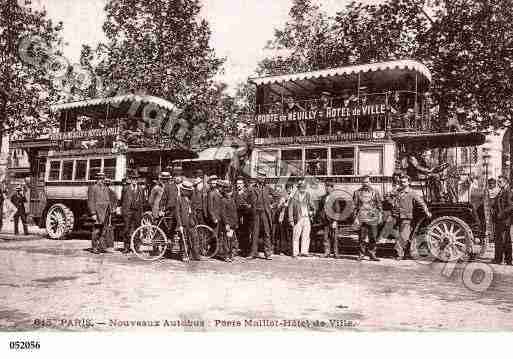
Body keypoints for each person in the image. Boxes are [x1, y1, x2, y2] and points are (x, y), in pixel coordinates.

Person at [393, 174, 431, 260]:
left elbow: (421, 203)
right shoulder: (398, 192)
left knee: (404, 236)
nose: (402, 183)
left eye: (404, 182)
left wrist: (427, 211)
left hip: (407, 217)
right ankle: (405, 253)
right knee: (399, 235)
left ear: (408, 183)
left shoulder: (412, 193)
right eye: (401, 182)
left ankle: (400, 254)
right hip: (397, 216)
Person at [353, 175, 383, 261]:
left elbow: (379, 204)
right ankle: (361, 254)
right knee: (362, 237)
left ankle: (372, 254)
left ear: (370, 182)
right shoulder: (357, 192)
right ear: (362, 183)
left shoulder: (375, 192)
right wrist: (355, 218)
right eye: (364, 182)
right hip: (361, 217)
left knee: (373, 236)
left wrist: (380, 215)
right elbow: (354, 206)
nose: (365, 184)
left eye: (367, 182)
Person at [87, 172, 116, 254]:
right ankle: (95, 247)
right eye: (100, 179)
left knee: (104, 231)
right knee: (96, 230)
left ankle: (102, 247)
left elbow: (110, 199)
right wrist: (93, 213)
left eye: (103, 179)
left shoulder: (106, 188)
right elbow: (90, 201)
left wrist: (110, 210)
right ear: (97, 179)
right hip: (98, 212)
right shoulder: (93, 188)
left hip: (106, 212)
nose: (101, 180)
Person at [248, 174, 274, 260]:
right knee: (255, 233)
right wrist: (249, 206)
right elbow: (245, 198)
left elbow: (278, 196)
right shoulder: (251, 188)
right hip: (255, 214)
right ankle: (253, 253)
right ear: (257, 178)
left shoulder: (268, 188)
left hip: (265, 213)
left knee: (266, 233)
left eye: (263, 177)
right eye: (259, 177)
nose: (261, 179)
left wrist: (273, 205)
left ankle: (268, 253)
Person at [120, 173, 146, 253]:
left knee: (137, 229)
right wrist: (122, 210)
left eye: (136, 179)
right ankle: (126, 247)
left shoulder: (141, 189)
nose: (134, 181)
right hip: (128, 211)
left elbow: (143, 201)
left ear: (137, 180)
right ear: (130, 180)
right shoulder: (125, 188)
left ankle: (136, 247)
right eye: (133, 179)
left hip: (137, 212)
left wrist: (142, 211)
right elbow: (122, 200)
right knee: (126, 229)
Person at [288, 180, 315, 258]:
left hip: (306, 218)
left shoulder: (308, 195)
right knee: (296, 236)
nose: (302, 189)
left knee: (306, 235)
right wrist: (291, 220)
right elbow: (290, 209)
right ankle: (295, 253)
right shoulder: (294, 197)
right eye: (301, 187)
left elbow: (313, 206)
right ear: (298, 188)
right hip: (298, 218)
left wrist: (312, 212)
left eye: (304, 187)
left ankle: (304, 252)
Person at [175, 181, 201, 261]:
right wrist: (180, 225)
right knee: (184, 240)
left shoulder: (191, 199)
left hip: (191, 221)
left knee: (194, 238)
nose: (189, 192)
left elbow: (194, 210)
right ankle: (184, 255)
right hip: (183, 222)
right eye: (188, 190)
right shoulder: (179, 199)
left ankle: (195, 254)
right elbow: (177, 213)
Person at [492, 176, 512, 265]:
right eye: (498, 182)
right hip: (499, 219)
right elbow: (497, 203)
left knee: (504, 240)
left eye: (500, 182)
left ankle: (504, 259)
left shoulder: (508, 192)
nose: (498, 183)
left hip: (505, 219)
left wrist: (502, 213)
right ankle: (501, 259)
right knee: (500, 239)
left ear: (505, 182)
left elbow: (511, 206)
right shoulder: (501, 191)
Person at [321, 182, 342, 258]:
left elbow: (337, 210)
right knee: (326, 237)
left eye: (329, 187)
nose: (327, 188)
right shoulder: (323, 197)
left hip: (333, 221)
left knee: (334, 237)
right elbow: (321, 208)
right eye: (326, 187)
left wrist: (335, 221)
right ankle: (327, 252)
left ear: (332, 188)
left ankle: (336, 253)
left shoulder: (335, 198)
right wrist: (322, 216)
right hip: (325, 220)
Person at [220, 180, 239, 261]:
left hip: (233, 223)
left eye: (230, 192)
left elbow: (235, 212)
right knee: (226, 240)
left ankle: (230, 254)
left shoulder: (232, 200)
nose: (229, 194)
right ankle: (226, 255)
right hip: (228, 224)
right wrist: (226, 223)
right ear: (225, 193)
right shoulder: (223, 201)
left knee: (231, 240)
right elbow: (223, 213)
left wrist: (236, 222)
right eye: (228, 192)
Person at [234, 177, 251, 256]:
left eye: (240, 183)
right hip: (237, 215)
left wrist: (247, 206)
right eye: (237, 183)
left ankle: (245, 250)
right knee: (237, 232)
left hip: (245, 216)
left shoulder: (247, 193)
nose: (239, 185)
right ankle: (238, 249)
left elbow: (250, 204)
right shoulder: (235, 193)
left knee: (245, 232)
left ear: (243, 184)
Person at [207, 175, 223, 239]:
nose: (214, 184)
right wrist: (213, 218)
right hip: (215, 217)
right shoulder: (211, 193)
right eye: (212, 183)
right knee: (214, 235)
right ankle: (214, 248)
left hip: (220, 216)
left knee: (219, 234)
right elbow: (210, 208)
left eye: (215, 182)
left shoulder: (220, 192)